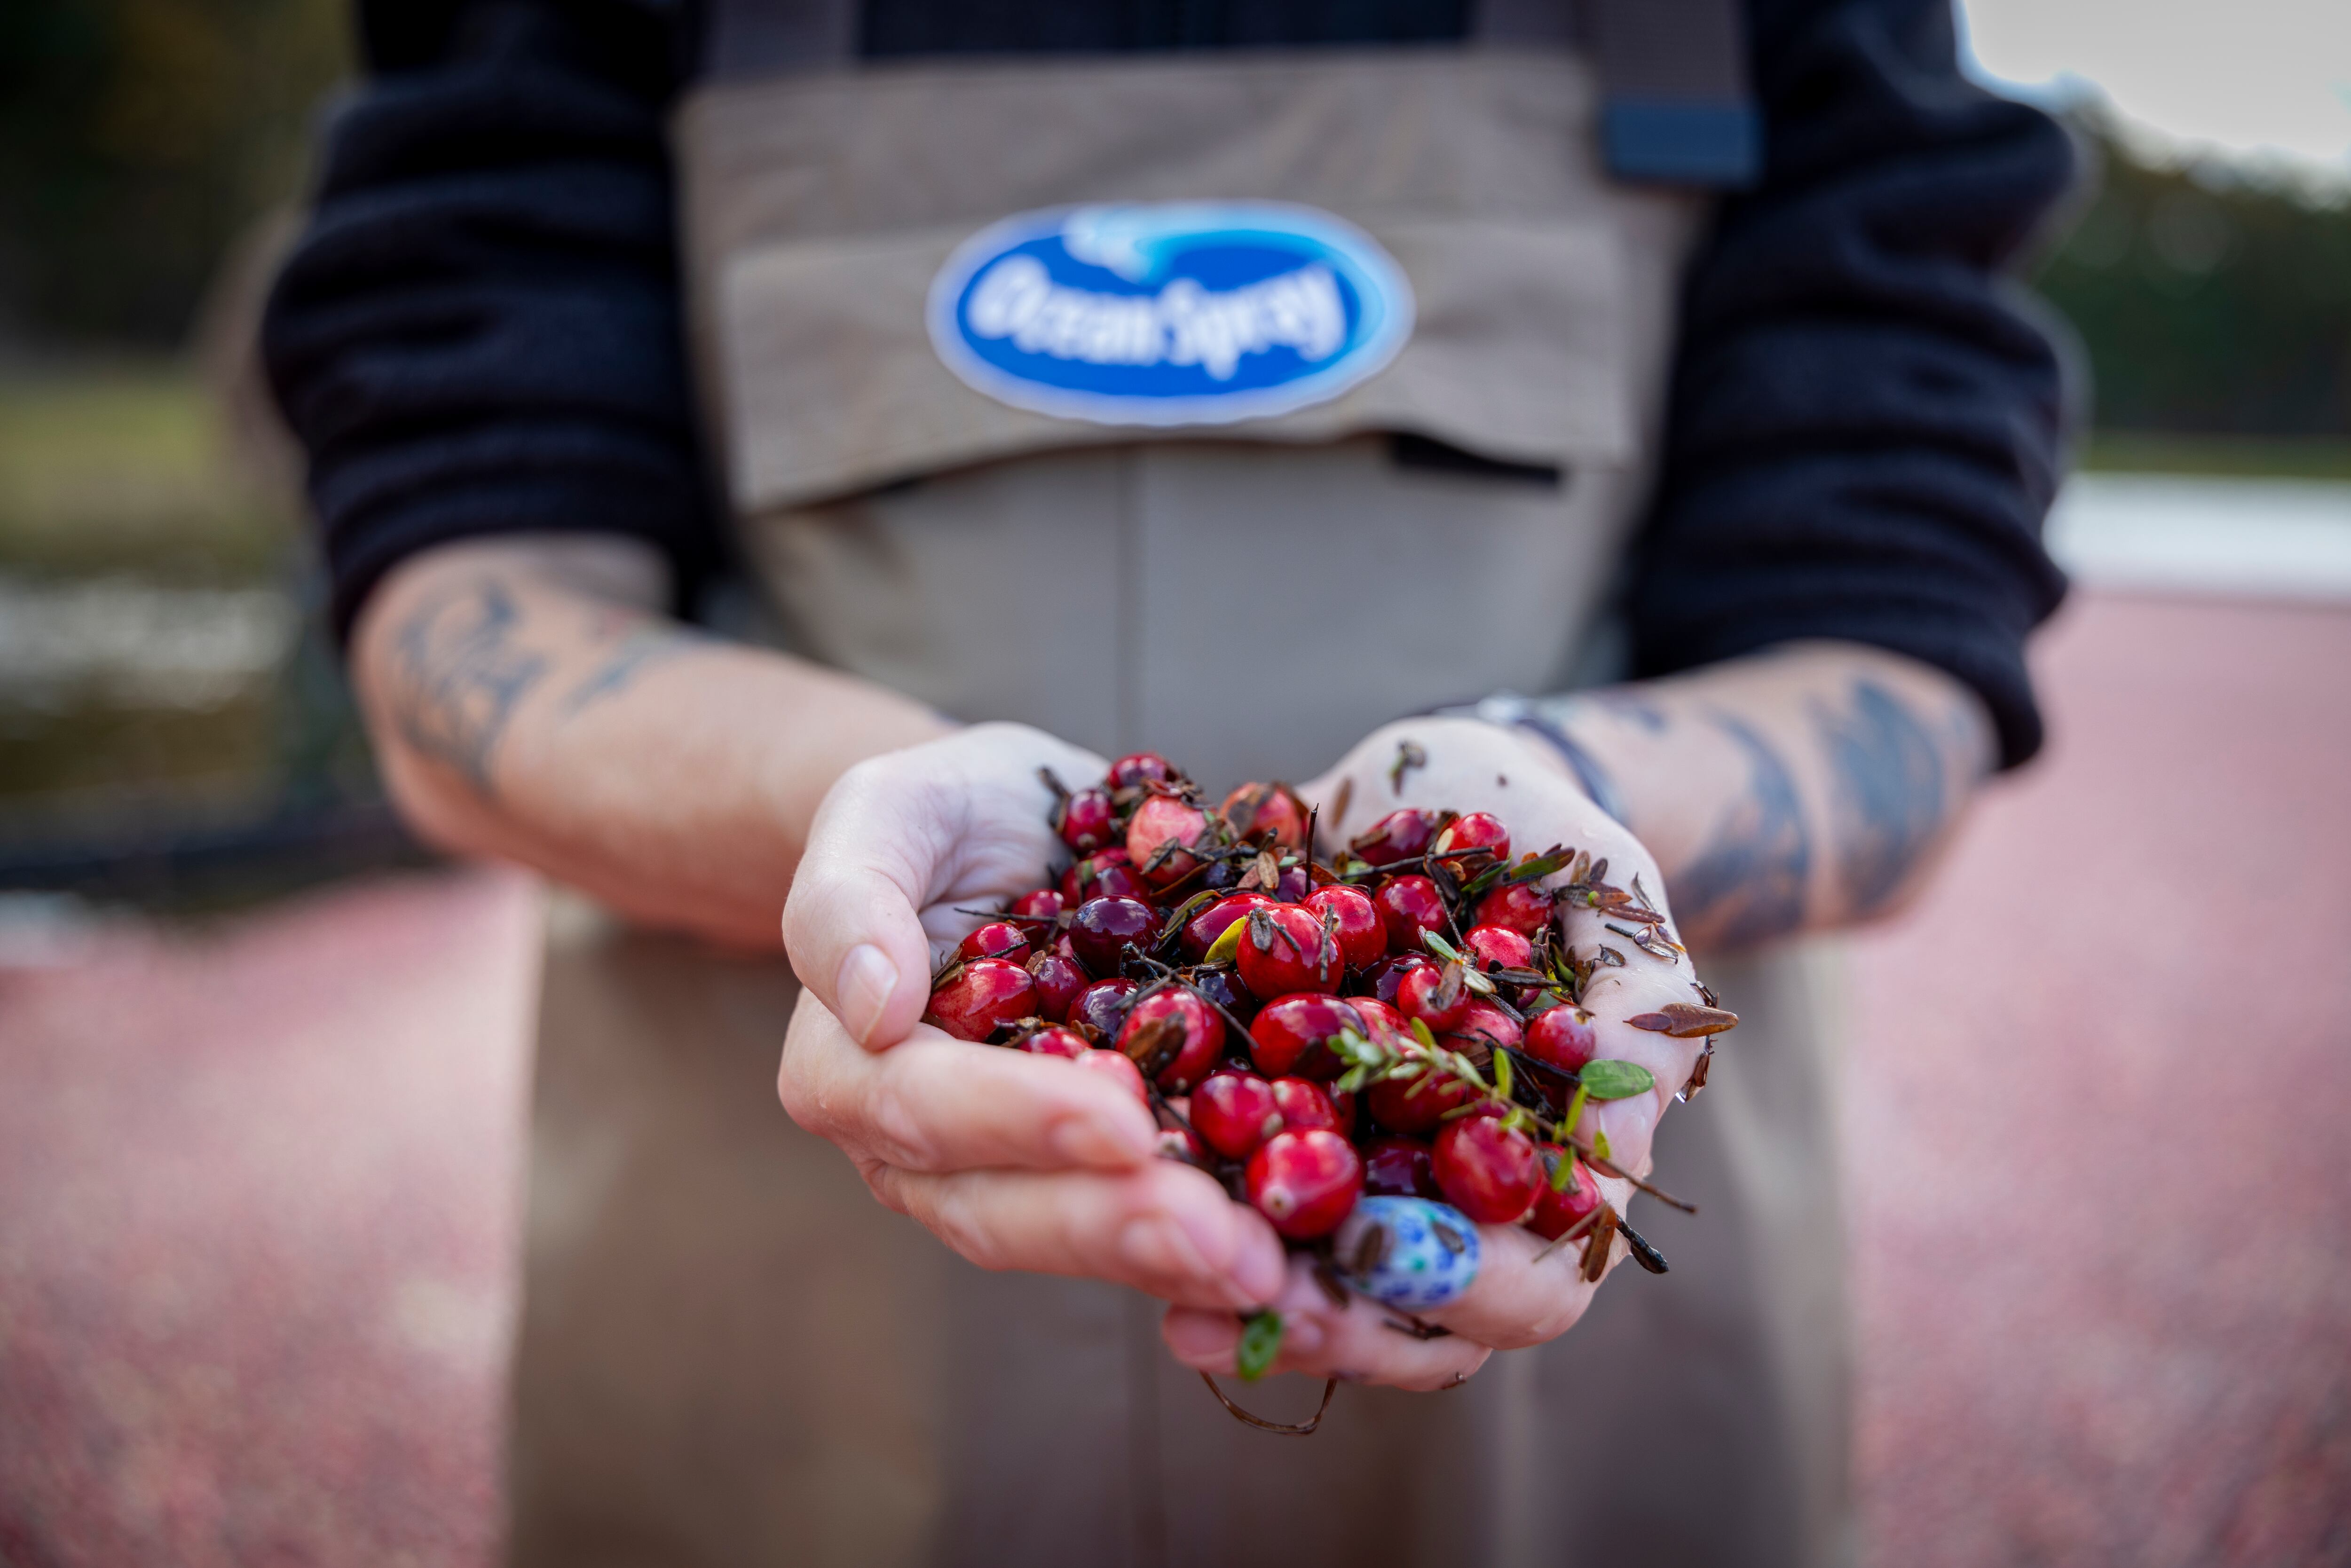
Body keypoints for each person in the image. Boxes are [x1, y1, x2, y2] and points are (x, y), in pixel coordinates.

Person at [261, 0, 2072, 1562]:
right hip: (784, 1377)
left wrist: (1575, 800)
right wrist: (857, 802)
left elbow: (1896, 646)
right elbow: (466, 608)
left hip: (1581, 1422)